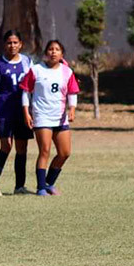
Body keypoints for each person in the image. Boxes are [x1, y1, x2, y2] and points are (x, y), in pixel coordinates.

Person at [19, 40, 80, 196]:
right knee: (44, 150)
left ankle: (48, 183)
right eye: (50, 49)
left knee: (64, 153)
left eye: (57, 49)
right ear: (46, 53)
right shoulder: (36, 70)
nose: (53, 52)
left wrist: (72, 109)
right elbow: (26, 91)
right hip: (42, 116)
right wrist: (26, 112)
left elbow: (72, 92)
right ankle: (40, 188)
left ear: (62, 54)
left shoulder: (67, 72)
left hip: (60, 117)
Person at [0, 30, 34, 196]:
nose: (12, 46)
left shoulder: (28, 62)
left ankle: (19, 186)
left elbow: (35, 82)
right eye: (9, 43)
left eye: (15, 42)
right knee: (6, 146)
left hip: (23, 111)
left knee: (22, 148)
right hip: (5, 111)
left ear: (20, 44)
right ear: (4, 44)